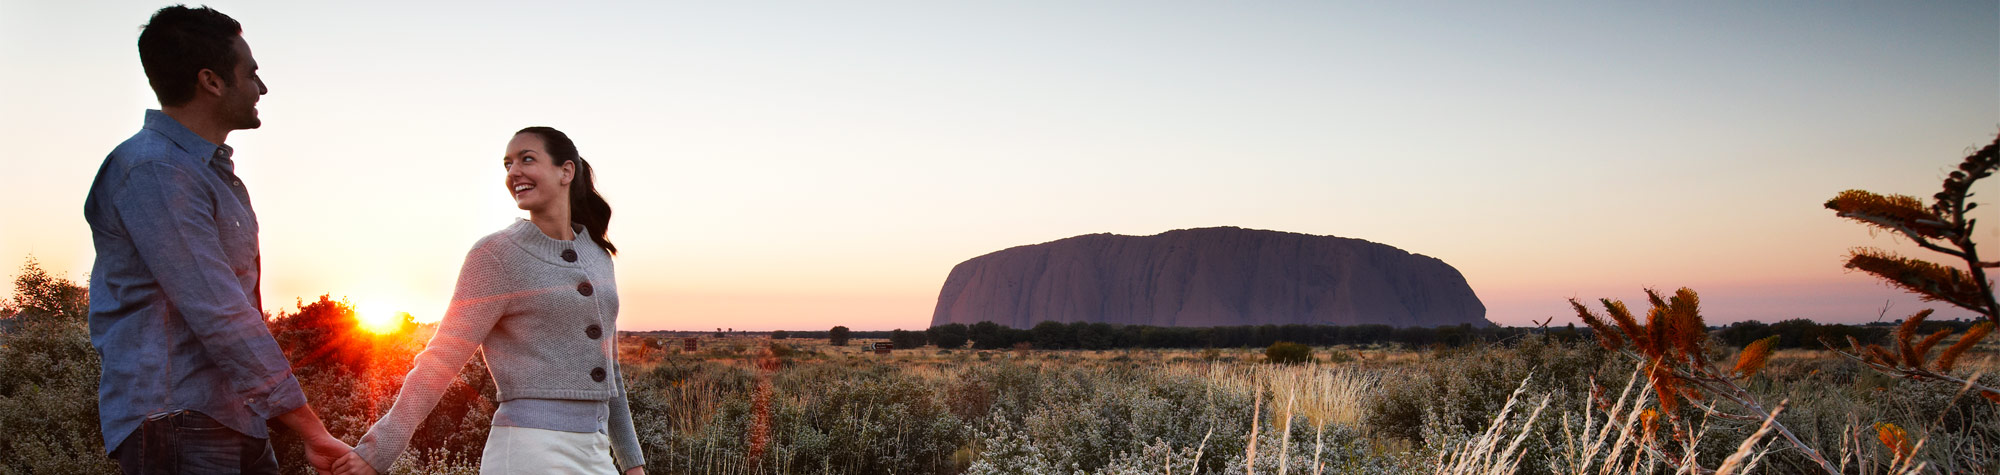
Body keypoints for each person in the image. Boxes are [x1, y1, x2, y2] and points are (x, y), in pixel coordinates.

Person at [84, 5, 355, 473]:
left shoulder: (205, 174)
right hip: (179, 421)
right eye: (250, 74)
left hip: (231, 418)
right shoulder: (156, 170)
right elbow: (218, 310)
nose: (262, 88)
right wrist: (311, 429)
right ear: (211, 81)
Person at [337, 127, 646, 475]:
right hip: (529, 450)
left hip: (595, 450)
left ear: (566, 171)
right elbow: (441, 358)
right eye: (507, 164)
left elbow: (611, 373)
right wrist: (378, 451)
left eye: (527, 159)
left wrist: (632, 463)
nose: (513, 172)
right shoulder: (496, 255)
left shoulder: (598, 256)